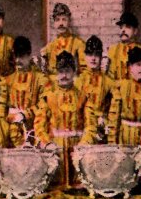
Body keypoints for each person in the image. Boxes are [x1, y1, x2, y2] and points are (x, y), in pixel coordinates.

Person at [34, 51, 95, 186]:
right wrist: (47, 143)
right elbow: (39, 125)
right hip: (55, 151)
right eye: (61, 71)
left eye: (67, 71)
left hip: (78, 151)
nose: (64, 75)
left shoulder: (83, 96)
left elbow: (91, 125)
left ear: (74, 72)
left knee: (80, 192)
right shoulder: (48, 97)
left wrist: (84, 144)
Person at [107, 47, 141, 146]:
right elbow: (114, 118)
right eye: (138, 65)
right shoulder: (121, 87)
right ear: (130, 67)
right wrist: (112, 143)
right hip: (126, 139)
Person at [5, 36, 51, 135]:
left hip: (36, 130)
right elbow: (2, 109)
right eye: (15, 56)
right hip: (12, 131)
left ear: (29, 54)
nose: (17, 60)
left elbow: (45, 103)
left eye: (21, 56)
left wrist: (25, 114)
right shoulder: (8, 80)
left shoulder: (41, 79)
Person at [76, 35, 116, 143]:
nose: (93, 58)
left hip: (103, 131)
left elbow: (114, 108)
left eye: (96, 55)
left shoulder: (108, 82)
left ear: (101, 57)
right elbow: (76, 109)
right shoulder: (79, 80)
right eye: (90, 54)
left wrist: (105, 119)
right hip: (83, 132)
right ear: (85, 56)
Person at [105, 12, 141, 81]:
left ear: (135, 31)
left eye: (128, 27)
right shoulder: (113, 51)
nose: (123, 30)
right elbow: (109, 77)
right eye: (121, 27)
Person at [41, 3, 87, 74]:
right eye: (57, 20)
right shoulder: (50, 47)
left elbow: (85, 72)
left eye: (64, 19)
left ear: (69, 21)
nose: (61, 23)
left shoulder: (79, 44)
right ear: (54, 23)